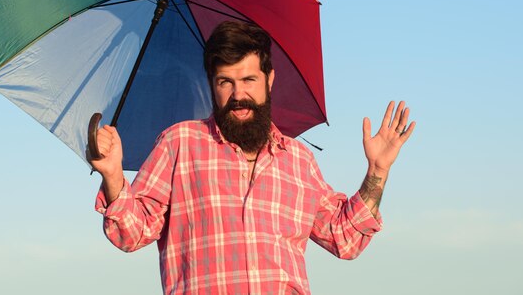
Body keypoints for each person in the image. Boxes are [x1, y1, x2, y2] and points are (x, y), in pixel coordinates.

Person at [89, 21, 415, 295]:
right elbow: (130, 234)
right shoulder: (180, 144)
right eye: (225, 82)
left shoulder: (299, 161)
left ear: (269, 80)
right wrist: (114, 177)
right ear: (212, 85)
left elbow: (347, 238)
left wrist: (378, 170)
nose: (238, 95)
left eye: (248, 80)